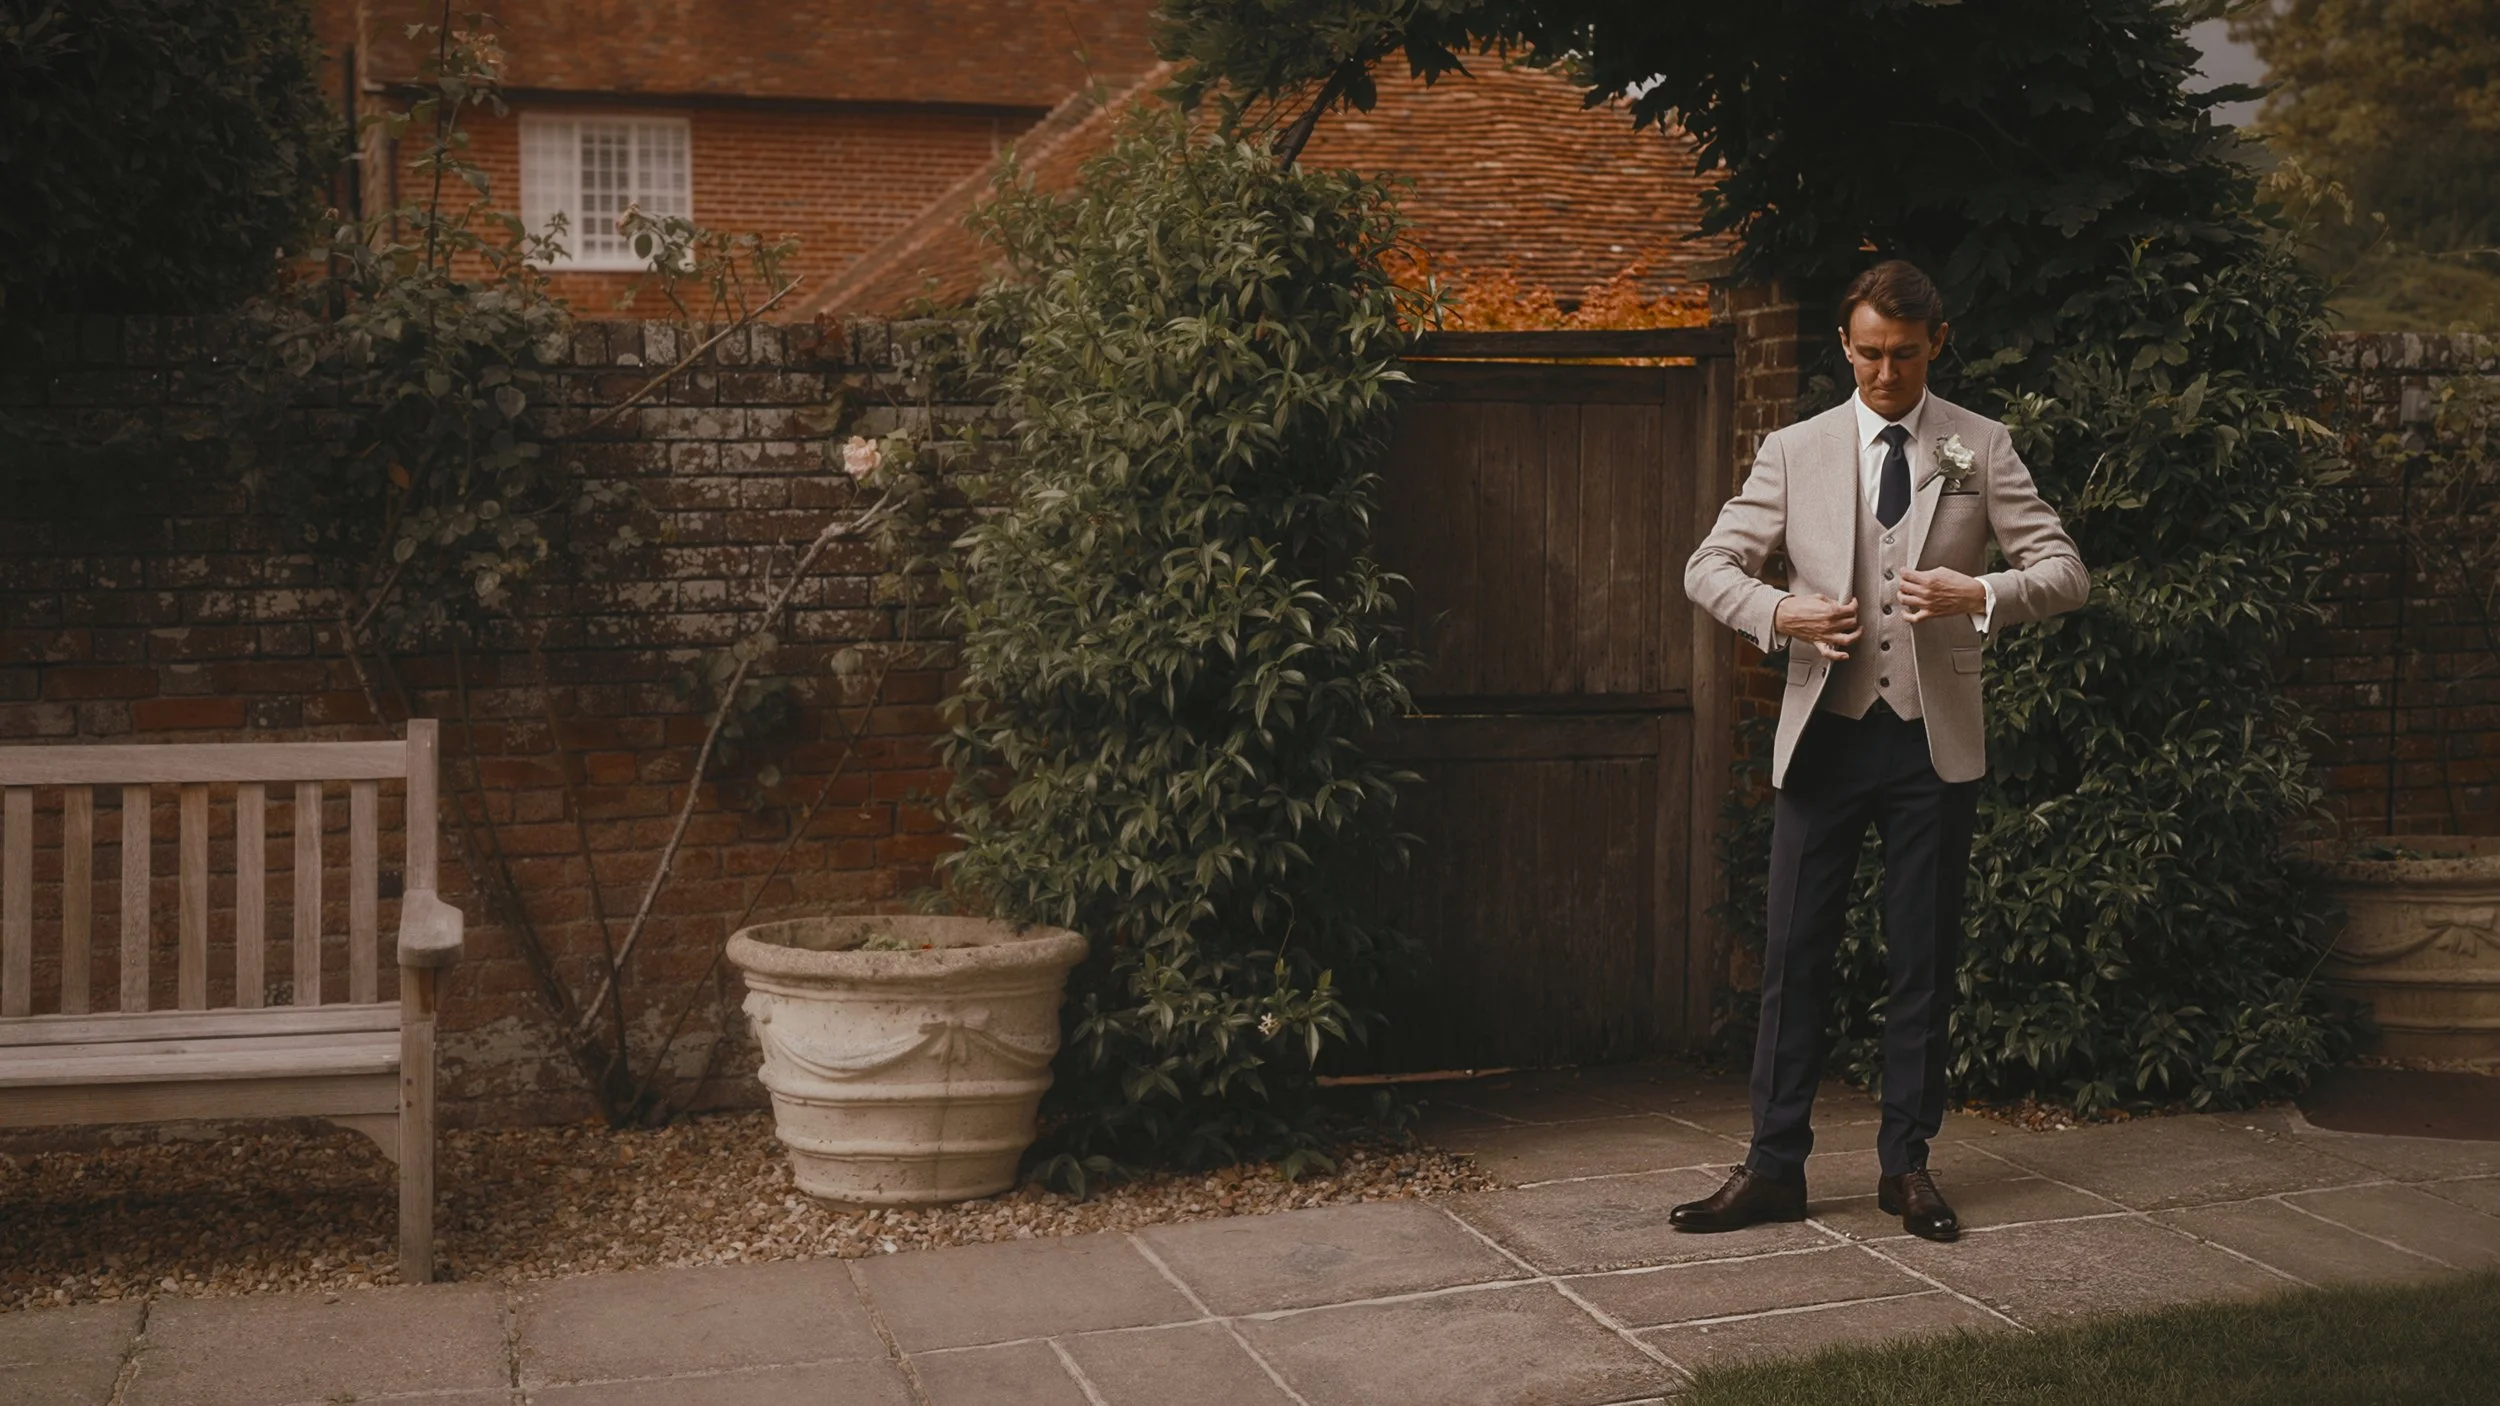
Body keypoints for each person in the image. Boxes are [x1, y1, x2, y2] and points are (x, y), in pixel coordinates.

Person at [1673, 259, 2089, 1242]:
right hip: (1826, 736)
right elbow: (1707, 564)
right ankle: (1773, 1165)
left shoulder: (1978, 446)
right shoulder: (1795, 448)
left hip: (1928, 744)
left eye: (1903, 354)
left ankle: (1906, 1165)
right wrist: (1782, 610)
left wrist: (1975, 594)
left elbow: (2064, 570)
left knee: (1921, 959)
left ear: (1935, 343)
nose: (1884, 372)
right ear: (1843, 345)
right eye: (1866, 353)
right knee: (1792, 955)